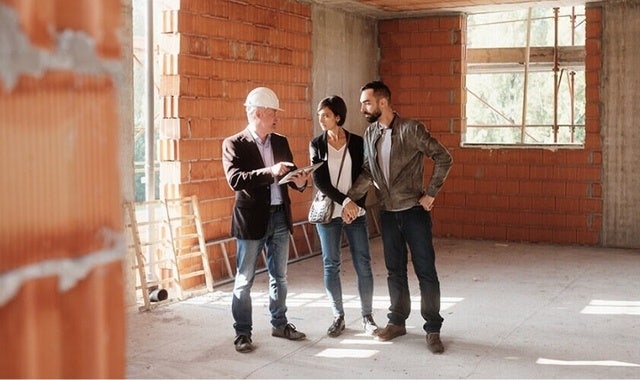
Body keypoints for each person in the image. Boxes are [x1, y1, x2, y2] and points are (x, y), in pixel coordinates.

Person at [342, 80, 453, 354]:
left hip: (414, 212)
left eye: (366, 102)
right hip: (388, 213)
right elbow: (368, 172)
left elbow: (443, 157)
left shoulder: (411, 129)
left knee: (425, 271)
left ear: (382, 102)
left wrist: (432, 193)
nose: (362, 108)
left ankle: (433, 328)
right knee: (394, 271)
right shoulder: (369, 134)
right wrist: (349, 200)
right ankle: (397, 321)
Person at [222, 87, 311, 353]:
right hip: (252, 221)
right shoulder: (234, 143)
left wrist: (301, 181)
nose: (277, 118)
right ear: (258, 113)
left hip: (280, 217)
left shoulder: (280, 141)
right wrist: (269, 171)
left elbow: (289, 176)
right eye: (273, 113)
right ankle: (242, 333)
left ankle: (280, 323)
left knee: (280, 277)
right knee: (244, 279)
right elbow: (235, 180)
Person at [309, 96, 378, 338]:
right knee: (331, 264)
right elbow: (320, 181)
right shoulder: (316, 144)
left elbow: (365, 176)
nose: (321, 119)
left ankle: (367, 316)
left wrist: (354, 205)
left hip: (355, 213)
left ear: (338, 116)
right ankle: (338, 316)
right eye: (319, 115)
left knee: (363, 264)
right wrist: (345, 202)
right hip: (330, 214)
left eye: (326, 115)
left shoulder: (357, 142)